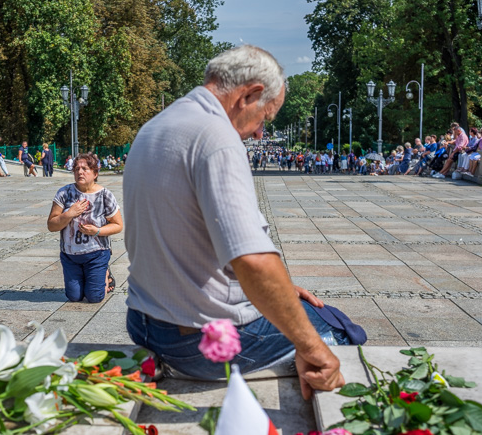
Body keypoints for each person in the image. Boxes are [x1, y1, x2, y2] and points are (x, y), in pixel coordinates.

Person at [123, 45, 348, 396]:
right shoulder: (217, 138)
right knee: (337, 332)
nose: (260, 133)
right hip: (198, 340)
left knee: (297, 308)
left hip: (144, 323)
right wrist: (313, 349)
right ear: (250, 95)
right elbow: (252, 260)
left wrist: (280, 292)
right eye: (265, 118)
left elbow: (188, 241)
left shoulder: (156, 126)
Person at [47, 153, 123, 303]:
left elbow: (118, 225)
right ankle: (87, 276)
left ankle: (105, 273)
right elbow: (51, 225)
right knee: (74, 297)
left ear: (95, 173)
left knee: (95, 297)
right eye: (76, 169)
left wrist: (98, 231)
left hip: (97, 254)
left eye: (84, 168)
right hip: (70, 255)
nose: (79, 172)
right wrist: (69, 214)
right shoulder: (64, 193)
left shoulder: (105, 195)